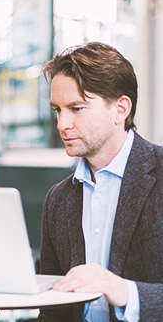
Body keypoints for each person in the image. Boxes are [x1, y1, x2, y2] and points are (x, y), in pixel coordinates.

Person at [38, 42, 163, 322]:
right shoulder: (57, 200)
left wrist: (125, 293)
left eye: (77, 108)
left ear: (120, 109)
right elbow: (51, 311)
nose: (62, 124)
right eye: (57, 110)